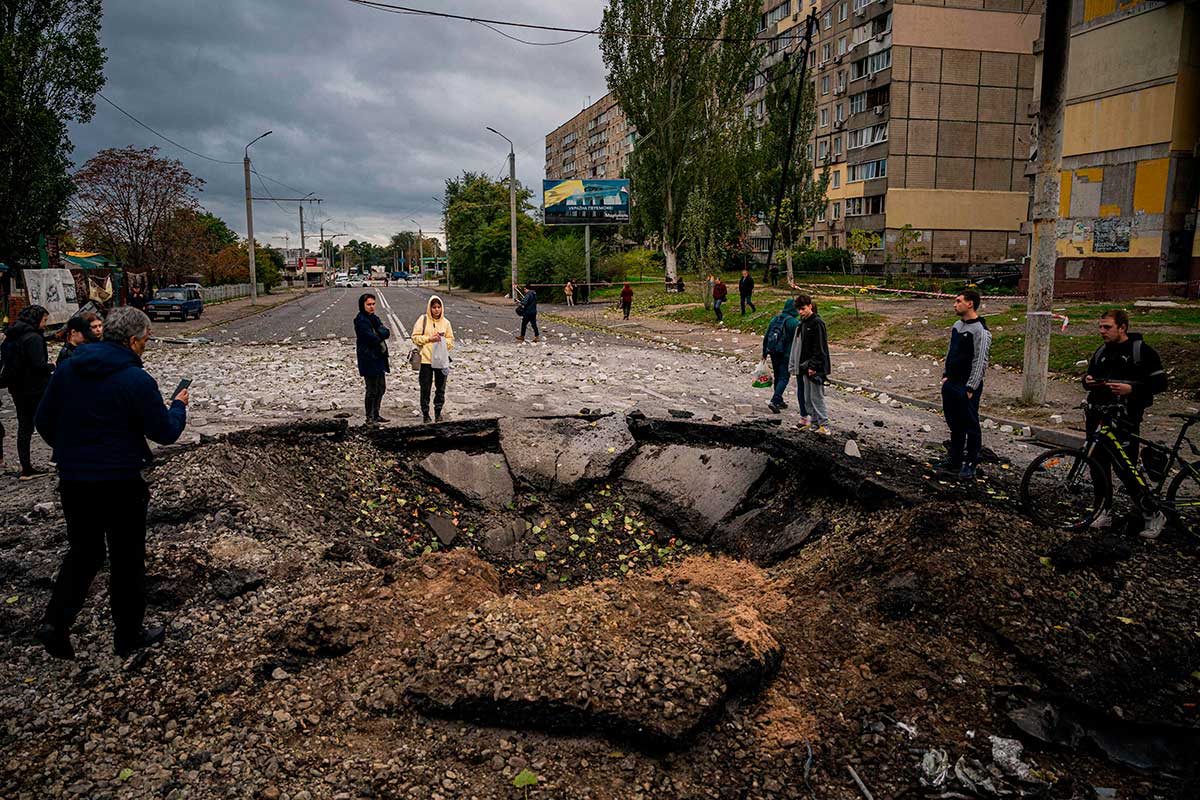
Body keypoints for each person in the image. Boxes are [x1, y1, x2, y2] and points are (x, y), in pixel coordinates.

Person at [33, 306, 188, 660]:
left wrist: (73, 449)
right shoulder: (136, 380)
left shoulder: (68, 368)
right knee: (127, 558)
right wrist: (178, 406)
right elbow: (164, 432)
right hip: (120, 481)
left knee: (84, 554)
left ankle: (55, 623)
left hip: (74, 479)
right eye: (146, 341)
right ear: (134, 341)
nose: (146, 347)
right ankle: (128, 635)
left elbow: (44, 420)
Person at [1082, 308, 1168, 537]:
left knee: (1125, 468)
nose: (1102, 331)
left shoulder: (1142, 352)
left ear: (1122, 327)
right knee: (1097, 466)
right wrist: (1088, 381)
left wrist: (1132, 389)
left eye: (1107, 327)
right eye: (1100, 327)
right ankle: (1103, 510)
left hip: (1125, 419)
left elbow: (1160, 383)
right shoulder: (1101, 351)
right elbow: (1090, 377)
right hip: (1098, 417)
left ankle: (1151, 514)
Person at [939, 289, 992, 479]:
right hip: (951, 382)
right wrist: (945, 375)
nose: (955, 304)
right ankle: (954, 458)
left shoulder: (981, 331)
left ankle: (970, 461)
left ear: (970, 303)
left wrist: (971, 386)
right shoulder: (957, 325)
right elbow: (950, 351)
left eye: (958, 301)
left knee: (970, 424)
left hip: (966, 385)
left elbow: (981, 361)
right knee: (954, 423)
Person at [2, 305, 54, 479]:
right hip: (35, 389)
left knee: (24, 427)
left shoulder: (12, 336)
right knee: (48, 423)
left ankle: (26, 467)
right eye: (44, 320)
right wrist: (52, 366)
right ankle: (60, 456)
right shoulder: (33, 338)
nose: (45, 324)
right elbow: (38, 365)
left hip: (17, 388)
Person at [789, 295, 832, 434]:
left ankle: (824, 425)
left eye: (803, 309)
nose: (800, 312)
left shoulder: (817, 323)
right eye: (798, 310)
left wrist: (814, 366)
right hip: (804, 366)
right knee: (807, 398)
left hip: (815, 368)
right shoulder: (803, 323)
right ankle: (814, 424)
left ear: (810, 306)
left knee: (816, 397)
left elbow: (820, 348)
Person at [411, 294, 455, 423]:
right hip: (426, 360)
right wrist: (429, 339)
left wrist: (441, 341)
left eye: (438, 307)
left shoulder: (446, 323)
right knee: (425, 388)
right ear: (429, 308)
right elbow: (415, 337)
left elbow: (451, 340)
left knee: (440, 388)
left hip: (441, 360)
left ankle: (438, 412)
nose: (436, 310)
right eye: (434, 307)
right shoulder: (423, 319)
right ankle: (425, 413)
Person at [354, 293, 391, 424]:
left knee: (381, 387)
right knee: (371, 389)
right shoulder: (361, 320)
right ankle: (369, 416)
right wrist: (379, 334)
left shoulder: (374, 318)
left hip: (379, 358)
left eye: (373, 304)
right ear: (362, 305)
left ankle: (376, 414)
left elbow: (386, 332)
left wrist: (378, 333)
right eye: (368, 304)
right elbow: (371, 338)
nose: (372, 307)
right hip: (368, 358)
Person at [763, 298, 801, 413]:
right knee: (784, 377)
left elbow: (767, 335)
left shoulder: (776, 319)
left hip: (774, 352)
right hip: (787, 354)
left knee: (778, 376)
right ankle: (774, 400)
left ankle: (779, 400)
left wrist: (764, 352)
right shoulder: (794, 323)